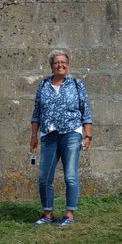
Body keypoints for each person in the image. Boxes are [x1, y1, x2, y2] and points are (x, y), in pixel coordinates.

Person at [30, 49, 93, 228]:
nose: (60, 65)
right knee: (44, 177)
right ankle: (47, 213)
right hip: (49, 135)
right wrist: (33, 135)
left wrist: (88, 135)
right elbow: (36, 113)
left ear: (68, 65)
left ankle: (69, 214)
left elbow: (85, 111)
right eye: (56, 62)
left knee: (70, 176)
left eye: (63, 62)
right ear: (51, 66)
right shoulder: (43, 85)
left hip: (71, 133)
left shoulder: (76, 84)